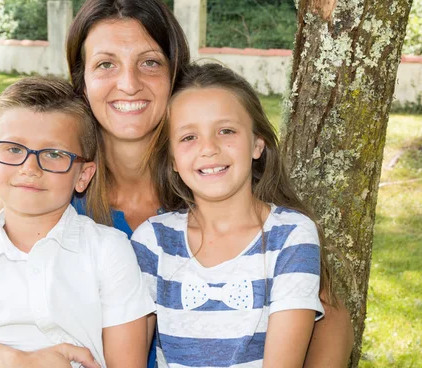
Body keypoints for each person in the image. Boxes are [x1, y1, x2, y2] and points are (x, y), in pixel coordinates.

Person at [0, 0, 354, 368]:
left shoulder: (214, 182)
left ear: (174, 72)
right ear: (82, 80)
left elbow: (328, 315)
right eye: (106, 64)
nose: (128, 84)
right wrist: (17, 360)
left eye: (149, 63)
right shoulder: (54, 190)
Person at [0, 77, 155, 368]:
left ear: (83, 176)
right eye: (13, 149)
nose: (30, 168)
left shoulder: (108, 251)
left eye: (54, 154)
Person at [131, 62, 331, 367]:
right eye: (188, 137)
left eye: (226, 131)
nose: (209, 148)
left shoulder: (291, 236)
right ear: (172, 159)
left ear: (257, 144)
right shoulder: (153, 241)